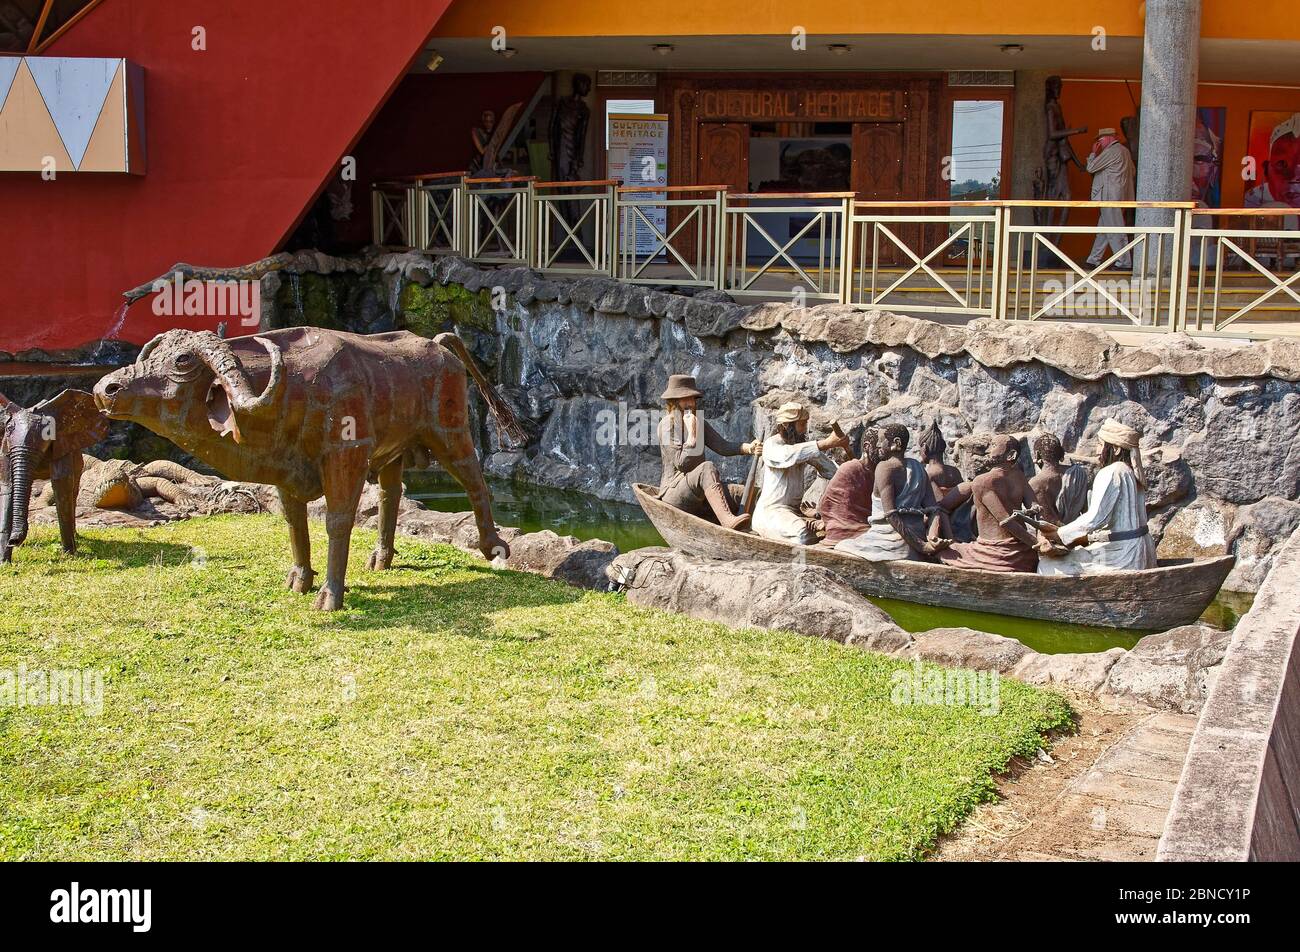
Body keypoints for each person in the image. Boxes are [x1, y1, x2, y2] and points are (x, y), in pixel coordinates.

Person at [1038, 419, 1157, 576]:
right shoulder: (1131, 473)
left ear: (1115, 449)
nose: (1096, 451)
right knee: (1081, 552)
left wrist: (1059, 534)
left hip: (1122, 556)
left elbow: (1096, 517)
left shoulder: (1112, 472)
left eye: (1100, 444)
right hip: (1142, 550)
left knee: (1046, 566)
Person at [655, 375, 761, 530]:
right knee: (707, 467)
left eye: (693, 399)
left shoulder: (698, 422)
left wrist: (748, 448)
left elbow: (723, 446)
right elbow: (682, 464)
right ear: (674, 401)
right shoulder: (667, 425)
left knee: (748, 493)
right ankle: (727, 521)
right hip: (674, 494)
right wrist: (692, 436)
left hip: (700, 493)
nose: (690, 403)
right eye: (685, 399)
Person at [835, 424, 948, 562]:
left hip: (890, 543)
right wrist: (931, 538)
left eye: (881, 440)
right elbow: (934, 509)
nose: (877, 445)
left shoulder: (884, 467)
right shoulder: (918, 467)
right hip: (916, 540)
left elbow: (891, 515)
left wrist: (923, 546)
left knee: (841, 545)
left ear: (896, 443)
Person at [936, 435, 1043, 573]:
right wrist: (1040, 540)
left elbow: (1006, 521)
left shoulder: (982, 482)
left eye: (993, 446)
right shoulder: (1019, 477)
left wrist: (1038, 544)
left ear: (1011, 455)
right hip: (1024, 551)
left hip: (995, 553)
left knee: (944, 553)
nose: (987, 450)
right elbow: (1038, 510)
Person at [752, 402, 846, 545]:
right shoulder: (772, 445)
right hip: (771, 513)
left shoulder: (801, 446)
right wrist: (826, 443)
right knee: (802, 533)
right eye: (802, 425)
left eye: (805, 424)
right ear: (786, 426)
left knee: (837, 527)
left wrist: (853, 472)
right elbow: (788, 455)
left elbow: (830, 470)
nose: (804, 430)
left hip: (795, 512)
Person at [819, 427, 880, 547]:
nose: (884, 451)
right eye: (880, 447)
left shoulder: (879, 470)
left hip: (868, 524)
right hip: (849, 529)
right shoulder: (850, 468)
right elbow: (829, 503)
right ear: (867, 447)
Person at [1085, 128, 1136, 269]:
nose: (1098, 143)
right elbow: (1132, 171)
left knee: (1115, 229)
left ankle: (1124, 263)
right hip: (1118, 197)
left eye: (1100, 140)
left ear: (1108, 138)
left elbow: (1091, 167)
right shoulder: (1124, 151)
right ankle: (1093, 259)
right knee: (1104, 231)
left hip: (1109, 197)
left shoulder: (1111, 151)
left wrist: (1093, 153)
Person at [1028, 433, 1089, 526]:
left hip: (1052, 537)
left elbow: (1046, 518)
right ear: (1061, 453)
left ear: (1037, 455)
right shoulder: (1078, 474)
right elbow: (1086, 510)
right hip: (1078, 531)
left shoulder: (1035, 483)